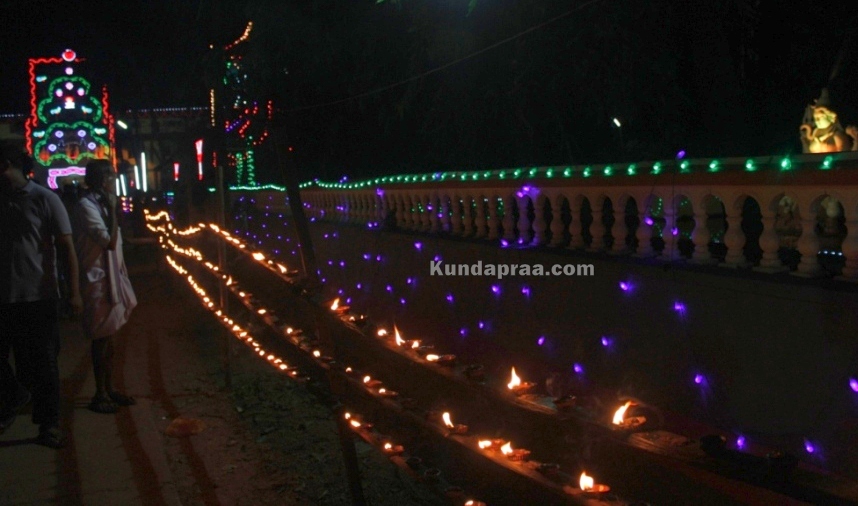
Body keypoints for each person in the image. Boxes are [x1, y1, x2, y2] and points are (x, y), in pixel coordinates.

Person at [0, 141, 82, 448]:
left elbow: (66, 247)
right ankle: (14, 396)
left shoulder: (44, 199)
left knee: (44, 363)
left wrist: (73, 293)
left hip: (39, 296)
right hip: (4, 296)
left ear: (11, 165)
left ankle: (48, 424)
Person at [72, 159, 137, 414]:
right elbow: (108, 242)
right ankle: (99, 394)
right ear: (101, 180)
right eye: (110, 176)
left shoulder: (100, 204)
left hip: (112, 277)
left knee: (110, 338)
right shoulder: (86, 206)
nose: (113, 181)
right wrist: (113, 209)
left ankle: (109, 389)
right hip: (97, 278)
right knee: (101, 338)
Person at [799, 88, 858, 153]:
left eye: (820, 118)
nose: (817, 121)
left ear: (830, 117)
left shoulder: (837, 135)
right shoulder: (814, 135)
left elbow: (845, 156)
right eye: (815, 118)